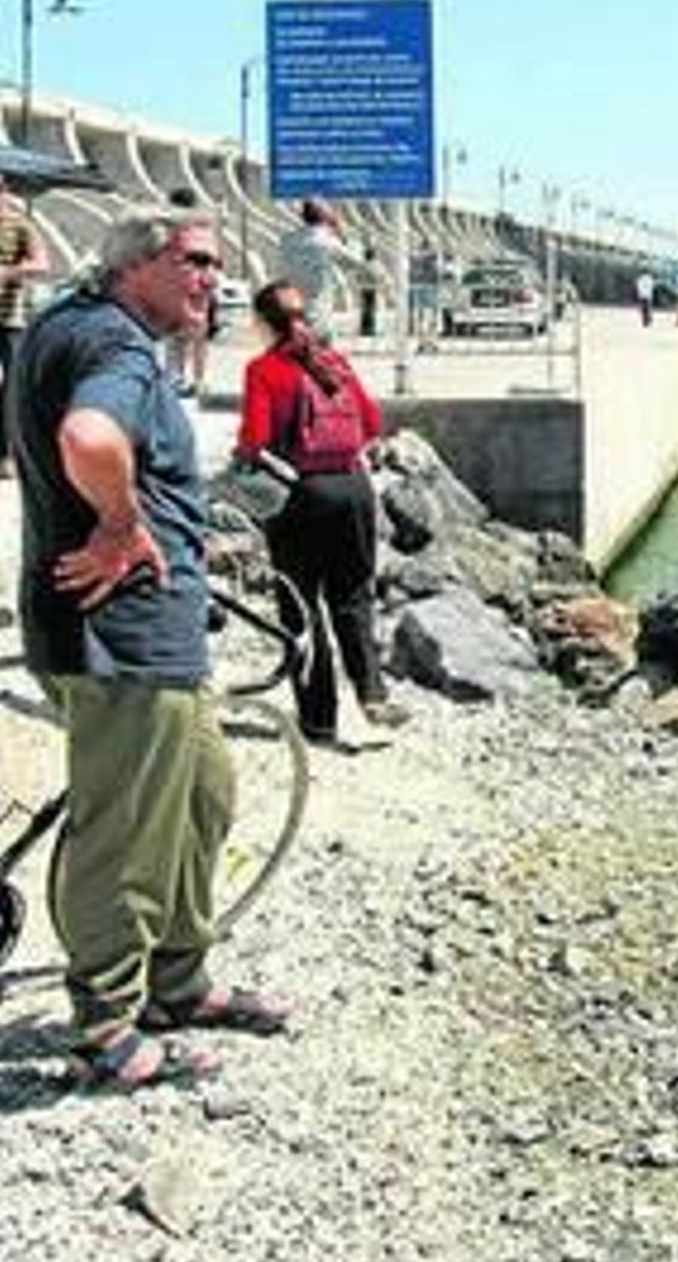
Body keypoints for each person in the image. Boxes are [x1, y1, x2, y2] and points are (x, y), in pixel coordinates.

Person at [9, 203, 288, 1091]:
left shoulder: (69, 325)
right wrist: (123, 526)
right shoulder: (117, 346)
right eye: (196, 261)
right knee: (127, 830)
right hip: (121, 633)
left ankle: (178, 980)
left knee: (203, 793)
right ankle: (107, 1025)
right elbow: (89, 438)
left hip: (138, 635)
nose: (214, 279)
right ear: (136, 265)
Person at [237, 281, 404, 745]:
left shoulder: (264, 370)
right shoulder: (335, 362)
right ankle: (372, 693)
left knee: (301, 607)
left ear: (262, 323)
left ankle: (319, 721)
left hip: (301, 495)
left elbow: (255, 439)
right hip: (355, 490)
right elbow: (371, 423)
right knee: (353, 596)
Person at [0, 173, 52, 477]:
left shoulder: (20, 225)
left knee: (12, 389)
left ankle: (6, 453)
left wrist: (7, 272)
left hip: (10, 319)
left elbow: (42, 264)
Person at [164, 184, 217, 397]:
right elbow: (211, 258)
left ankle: (174, 377)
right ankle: (199, 380)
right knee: (198, 335)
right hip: (198, 284)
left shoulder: (167, 227)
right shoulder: (201, 227)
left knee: (175, 334)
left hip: (176, 281)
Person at [275, 199, 352, 340]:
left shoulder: (287, 240)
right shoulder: (327, 241)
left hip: (291, 315)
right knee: (321, 357)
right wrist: (342, 234)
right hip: (318, 318)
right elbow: (355, 262)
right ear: (324, 217)